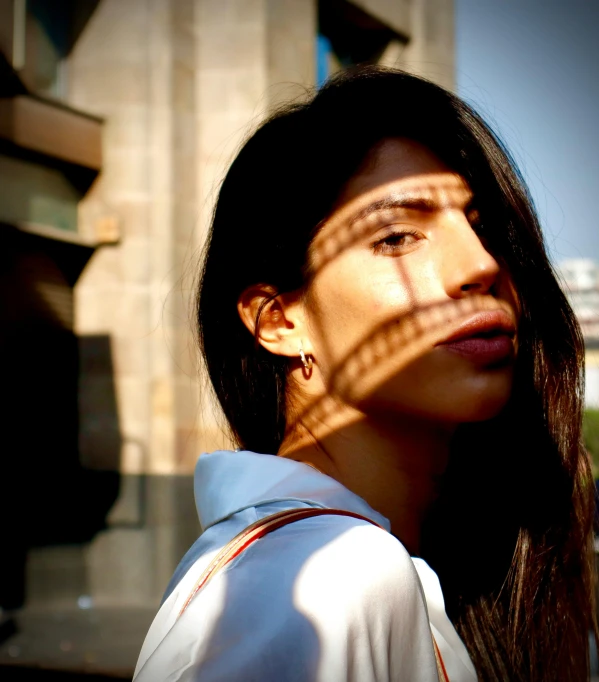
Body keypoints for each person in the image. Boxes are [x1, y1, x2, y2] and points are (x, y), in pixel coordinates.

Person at [133, 66, 597, 682]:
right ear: (278, 322)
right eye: (398, 237)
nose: (481, 266)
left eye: (484, 228)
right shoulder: (326, 578)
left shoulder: (423, 565)